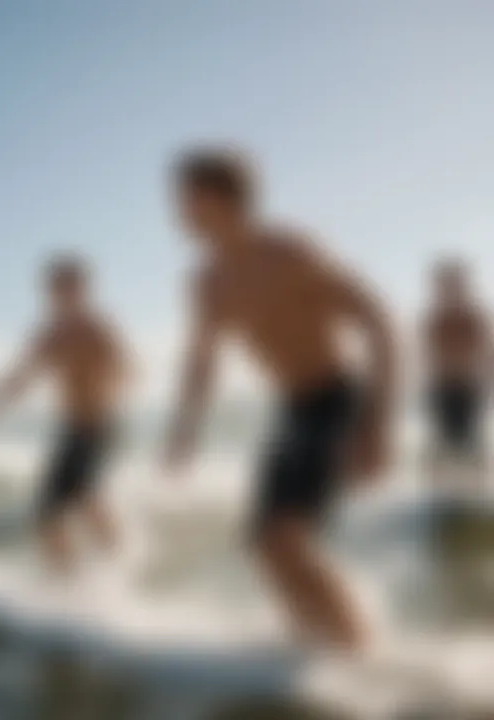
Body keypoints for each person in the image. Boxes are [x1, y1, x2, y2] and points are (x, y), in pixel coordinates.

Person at [163, 147, 397, 650]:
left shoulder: (289, 252)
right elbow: (201, 362)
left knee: (284, 538)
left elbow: (378, 321)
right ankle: (318, 650)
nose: (176, 211)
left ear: (220, 199)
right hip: (293, 411)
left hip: (337, 400)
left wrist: (377, 424)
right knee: (264, 544)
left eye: (184, 198)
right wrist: (184, 432)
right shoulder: (207, 282)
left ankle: (362, 656)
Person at [0, 256, 131, 571]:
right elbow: (23, 373)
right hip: (72, 428)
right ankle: (70, 576)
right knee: (46, 513)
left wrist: (105, 389)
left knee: (84, 497)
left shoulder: (97, 328)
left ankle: (117, 561)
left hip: (99, 426)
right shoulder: (50, 334)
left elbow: (127, 369)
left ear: (83, 289)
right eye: (55, 289)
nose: (59, 296)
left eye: (67, 288)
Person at [421, 259, 491, 483]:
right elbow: (430, 353)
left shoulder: (473, 317)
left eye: (453, 283)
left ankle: (473, 491)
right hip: (441, 386)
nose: (448, 288)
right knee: (444, 442)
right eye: (444, 284)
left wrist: (486, 381)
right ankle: (442, 491)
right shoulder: (436, 318)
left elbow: (486, 351)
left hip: (467, 386)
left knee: (467, 442)